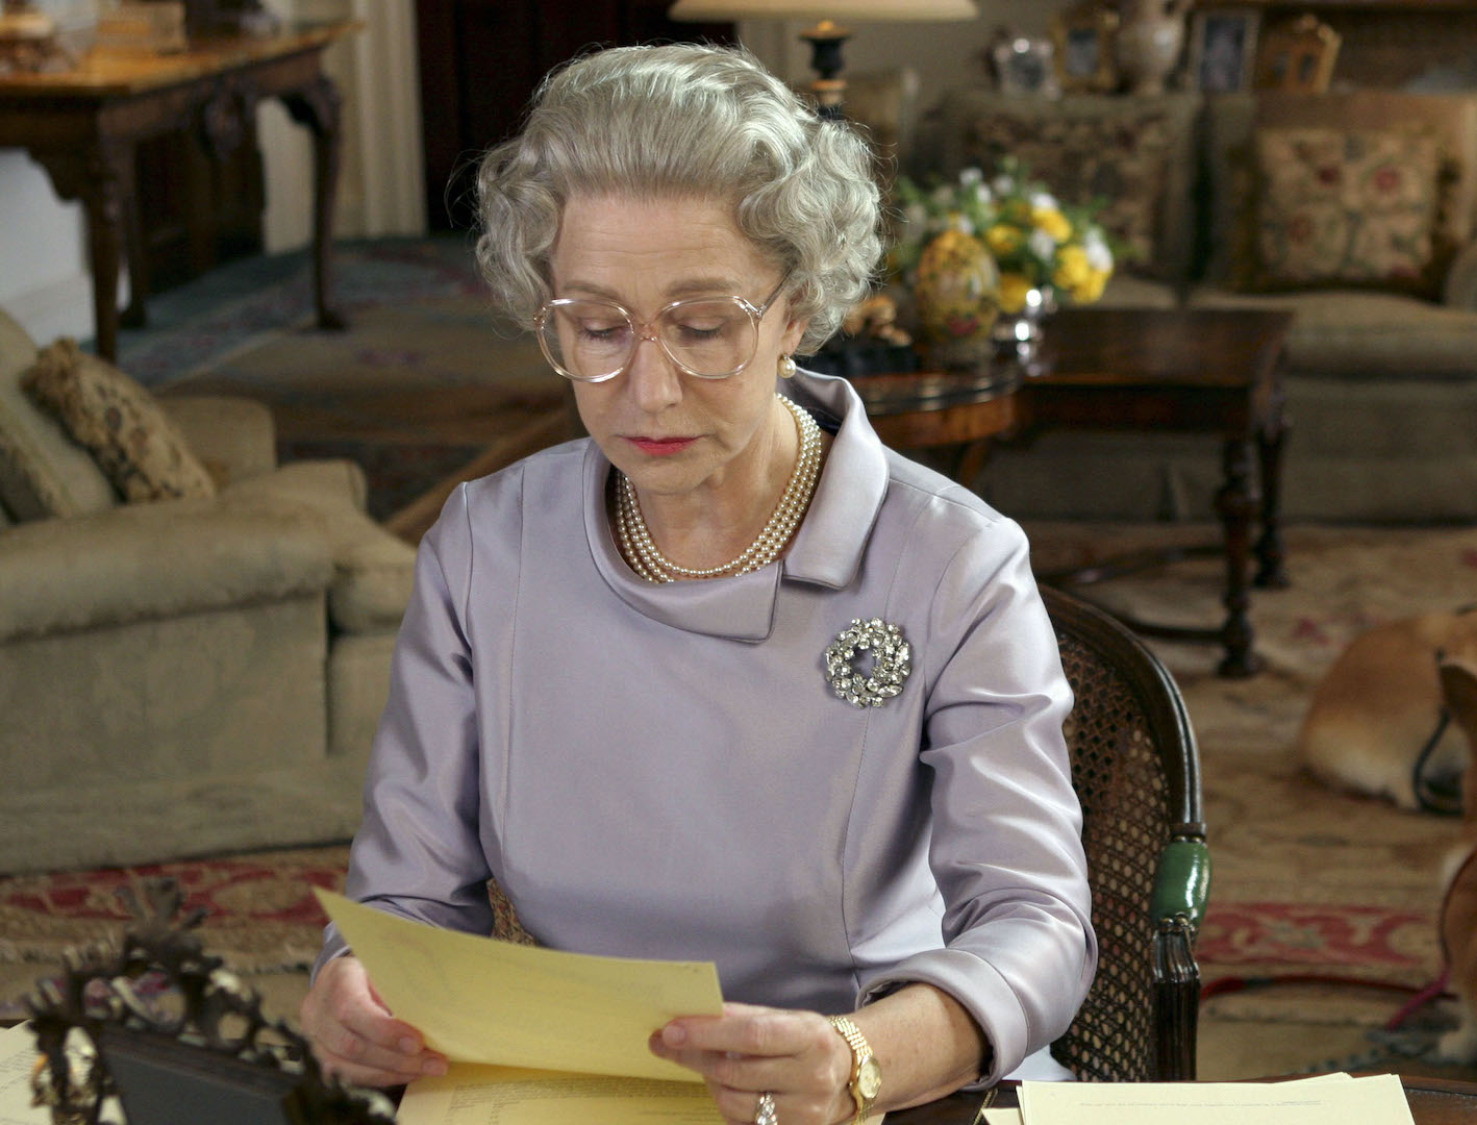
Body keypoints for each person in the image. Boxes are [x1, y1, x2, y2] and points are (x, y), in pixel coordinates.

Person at [299, 43, 1095, 1125]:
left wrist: (859, 1059)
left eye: (704, 325)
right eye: (595, 326)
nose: (647, 387)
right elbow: (403, 896)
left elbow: (1037, 923)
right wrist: (355, 987)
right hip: (570, 1095)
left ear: (799, 310)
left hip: (884, 1100)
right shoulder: (488, 544)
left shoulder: (951, 561)